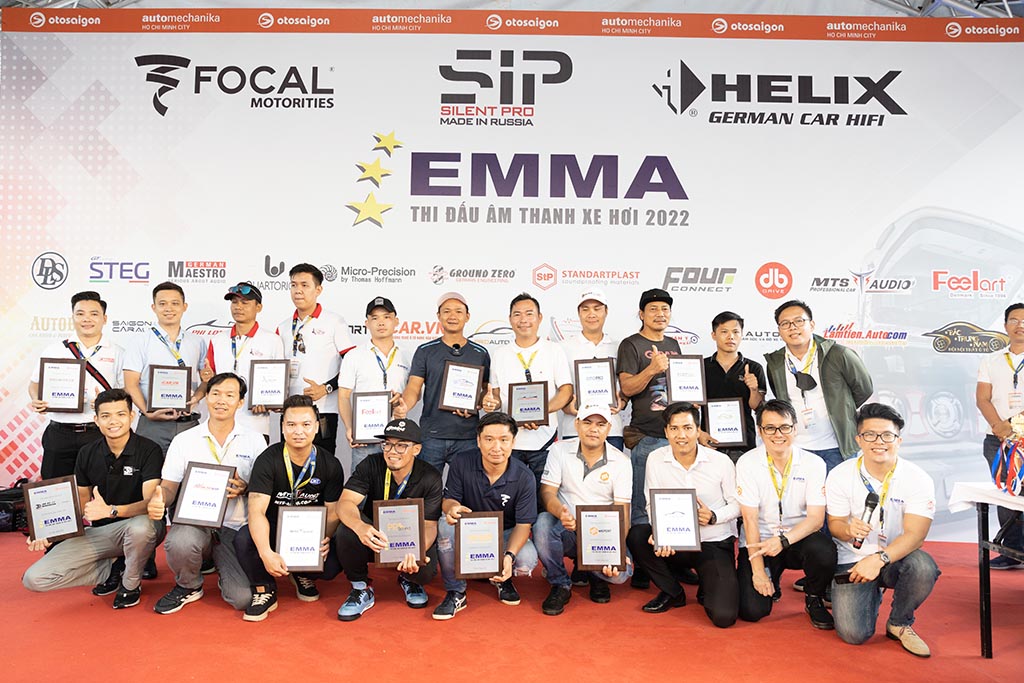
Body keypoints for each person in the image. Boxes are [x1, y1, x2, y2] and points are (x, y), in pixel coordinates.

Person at [22, 389, 164, 609]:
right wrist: (49, 532)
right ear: (96, 420)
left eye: (120, 414)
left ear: (131, 416)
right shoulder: (87, 453)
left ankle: (130, 584)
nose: (113, 421)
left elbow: (149, 504)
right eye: (106, 416)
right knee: (35, 579)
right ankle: (114, 567)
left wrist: (111, 510)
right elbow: (80, 504)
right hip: (101, 533)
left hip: (141, 527)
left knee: (141, 527)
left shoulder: (149, 450)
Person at [147, 373, 268, 615]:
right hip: (195, 523)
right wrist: (160, 499)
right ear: (207, 398)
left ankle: (218, 563)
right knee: (181, 541)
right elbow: (169, 487)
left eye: (229, 395)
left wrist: (245, 487)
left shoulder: (255, 441)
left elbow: (263, 490)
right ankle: (188, 585)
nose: (221, 400)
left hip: (234, 528)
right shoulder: (184, 440)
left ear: (240, 402)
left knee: (242, 598)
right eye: (215, 394)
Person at [826, 403, 940, 657]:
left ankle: (899, 622)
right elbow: (835, 525)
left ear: (899, 440)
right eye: (870, 435)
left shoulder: (918, 478)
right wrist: (848, 529)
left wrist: (879, 559)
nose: (879, 442)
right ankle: (867, 592)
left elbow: (916, 536)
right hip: (853, 560)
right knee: (853, 635)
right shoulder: (840, 475)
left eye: (887, 435)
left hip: (894, 557)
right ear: (858, 439)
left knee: (923, 567)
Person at [626, 402, 739, 628]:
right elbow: (651, 503)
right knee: (638, 536)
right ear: (666, 432)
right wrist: (659, 532)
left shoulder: (720, 462)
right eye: (674, 428)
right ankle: (673, 592)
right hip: (675, 541)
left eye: (687, 428)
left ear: (698, 430)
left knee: (724, 616)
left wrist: (714, 516)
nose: (681, 435)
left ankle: (707, 584)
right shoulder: (656, 459)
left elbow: (738, 504)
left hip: (713, 541)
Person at [234, 395, 345, 621]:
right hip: (274, 529)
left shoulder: (330, 464)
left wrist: (325, 538)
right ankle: (264, 587)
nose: (299, 431)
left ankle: (302, 574)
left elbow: (333, 511)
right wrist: (266, 553)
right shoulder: (267, 460)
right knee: (244, 540)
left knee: (332, 563)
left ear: (316, 427)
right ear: (283, 427)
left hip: (309, 534)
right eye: (291, 424)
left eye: (306, 424)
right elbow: (256, 511)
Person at [736, 399, 836, 629]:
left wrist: (783, 540)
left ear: (795, 428)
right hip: (761, 542)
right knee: (752, 611)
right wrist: (758, 572)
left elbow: (816, 520)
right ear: (760, 431)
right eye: (770, 428)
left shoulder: (814, 464)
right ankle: (771, 575)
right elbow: (749, 520)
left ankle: (813, 597)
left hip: (797, 539)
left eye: (784, 427)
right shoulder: (747, 463)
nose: (778, 434)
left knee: (824, 550)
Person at [433, 412, 539, 620]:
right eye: (489, 439)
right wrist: (452, 508)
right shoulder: (462, 462)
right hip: (469, 533)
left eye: (503, 440)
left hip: (503, 534)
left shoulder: (524, 476)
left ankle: (502, 578)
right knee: (445, 525)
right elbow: (449, 499)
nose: (496, 447)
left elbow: (523, 525)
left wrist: (509, 556)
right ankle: (456, 591)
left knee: (526, 560)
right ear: (478, 441)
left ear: (513, 442)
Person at [335, 418, 442, 621]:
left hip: (408, 540)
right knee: (347, 529)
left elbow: (429, 525)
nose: (392, 451)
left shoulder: (430, 476)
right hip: (375, 537)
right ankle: (361, 587)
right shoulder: (371, 464)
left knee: (425, 572)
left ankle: (409, 580)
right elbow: (345, 503)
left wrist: (416, 552)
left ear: (416, 449)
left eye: (401, 446)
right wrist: (360, 527)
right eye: (388, 444)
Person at [535, 405, 632, 615]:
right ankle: (560, 584)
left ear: (609, 428)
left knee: (620, 575)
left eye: (600, 424)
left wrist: (616, 552)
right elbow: (547, 493)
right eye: (587, 422)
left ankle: (596, 575)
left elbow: (623, 511)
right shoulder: (559, 450)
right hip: (567, 527)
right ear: (577, 424)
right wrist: (561, 512)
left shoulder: (622, 462)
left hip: (602, 535)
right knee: (542, 524)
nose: (593, 429)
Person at [764, 299, 873, 473]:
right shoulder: (775, 363)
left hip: (837, 447)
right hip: (796, 448)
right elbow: (780, 396)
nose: (793, 327)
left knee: (839, 491)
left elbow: (864, 389)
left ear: (812, 324)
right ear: (779, 330)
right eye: (785, 324)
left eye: (799, 321)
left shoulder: (839, 354)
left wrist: (841, 408)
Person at [28, 290, 125, 480]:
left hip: (98, 432)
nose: (87, 319)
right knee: (55, 488)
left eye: (94, 314)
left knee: (100, 488)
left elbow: (125, 391)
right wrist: (36, 399)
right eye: (80, 314)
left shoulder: (118, 352)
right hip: (59, 432)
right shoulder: (54, 350)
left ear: (104, 318)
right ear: (72, 317)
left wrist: (106, 402)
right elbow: (34, 384)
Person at [484, 293, 573, 486]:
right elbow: (497, 397)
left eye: (529, 314)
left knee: (544, 497)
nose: (523, 320)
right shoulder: (500, 354)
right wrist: (491, 403)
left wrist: (541, 413)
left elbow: (566, 390)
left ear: (539, 318)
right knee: (509, 497)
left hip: (545, 441)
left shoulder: (554, 350)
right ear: (510, 319)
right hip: (509, 442)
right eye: (517, 314)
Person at [403, 292, 490, 474]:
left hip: (468, 436)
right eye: (447, 311)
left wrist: (478, 402)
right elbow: (413, 387)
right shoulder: (425, 351)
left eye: (458, 311)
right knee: (427, 487)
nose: (452, 316)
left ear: (467, 316)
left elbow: (485, 390)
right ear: (439, 316)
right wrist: (405, 406)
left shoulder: (480, 353)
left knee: (468, 487)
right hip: (432, 436)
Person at [617, 288, 681, 527]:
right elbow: (627, 387)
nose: (660, 313)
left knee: (673, 504)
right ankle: (641, 549)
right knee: (641, 507)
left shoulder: (674, 344)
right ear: (641, 314)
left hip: (676, 437)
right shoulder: (630, 344)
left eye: (665, 309)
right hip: (647, 438)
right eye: (653, 309)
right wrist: (652, 369)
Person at [276, 263, 354, 455]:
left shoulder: (334, 321)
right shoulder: (283, 327)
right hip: (290, 411)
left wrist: (326, 388)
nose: (298, 291)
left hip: (324, 409)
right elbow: (275, 369)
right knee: (289, 461)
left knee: (322, 462)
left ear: (318, 290)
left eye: (304, 285)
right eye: (293, 285)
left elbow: (351, 364)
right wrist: (274, 398)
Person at [123, 281, 207, 455]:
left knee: (191, 471)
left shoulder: (197, 341)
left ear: (184, 307)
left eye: (175, 303)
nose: (169, 308)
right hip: (153, 425)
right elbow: (130, 384)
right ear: (154, 307)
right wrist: (147, 412)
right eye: (162, 303)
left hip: (188, 424)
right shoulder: (140, 341)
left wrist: (197, 398)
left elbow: (207, 381)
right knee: (150, 471)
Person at [975, 302, 1024, 568]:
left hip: (1018, 435)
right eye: (1014, 320)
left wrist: (1012, 425)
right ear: (1005, 326)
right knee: (1007, 494)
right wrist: (999, 427)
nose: (1020, 325)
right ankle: (1013, 551)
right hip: (997, 440)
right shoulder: (991, 360)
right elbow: (982, 398)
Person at [338, 296, 411, 473]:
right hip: (365, 438)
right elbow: (343, 396)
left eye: (386, 317)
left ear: (396, 321)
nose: (381, 322)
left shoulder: (408, 355)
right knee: (361, 486)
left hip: (397, 435)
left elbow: (415, 392)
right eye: (375, 318)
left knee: (397, 487)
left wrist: (403, 404)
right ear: (367, 323)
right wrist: (350, 427)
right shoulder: (354, 356)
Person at [204, 282, 283, 438]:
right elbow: (209, 378)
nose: (238, 307)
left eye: (245, 303)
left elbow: (278, 382)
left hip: (255, 424)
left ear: (258, 307)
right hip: (219, 423)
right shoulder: (217, 339)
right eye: (234, 302)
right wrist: (206, 377)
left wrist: (269, 403)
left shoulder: (272, 340)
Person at [558, 289, 626, 451]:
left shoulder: (619, 347)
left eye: (597, 308)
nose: (591, 314)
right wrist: (567, 408)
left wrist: (622, 402)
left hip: (611, 428)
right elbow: (557, 389)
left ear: (606, 311)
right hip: (574, 428)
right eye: (585, 309)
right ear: (579, 313)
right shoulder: (563, 347)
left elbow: (626, 384)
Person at [701, 311, 766, 462]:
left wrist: (754, 389)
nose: (731, 337)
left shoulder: (754, 368)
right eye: (724, 332)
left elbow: (757, 407)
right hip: (709, 443)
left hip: (743, 444)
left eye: (736, 332)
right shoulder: (701, 366)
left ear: (742, 335)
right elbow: (690, 407)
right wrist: (698, 433)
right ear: (713, 335)